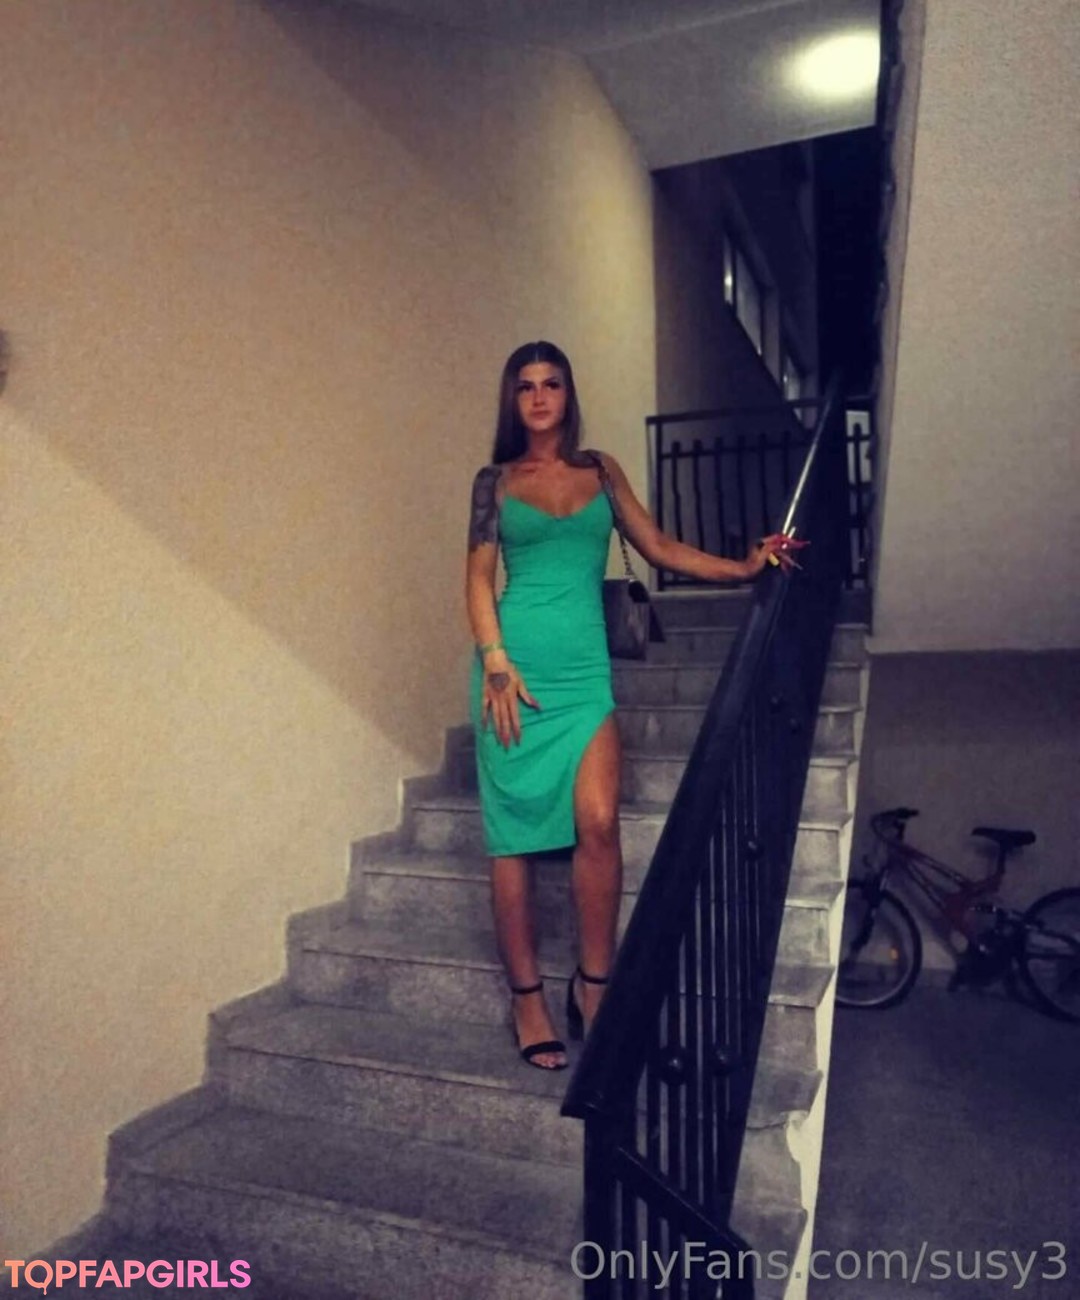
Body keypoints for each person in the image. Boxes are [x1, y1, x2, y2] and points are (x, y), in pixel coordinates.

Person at [465, 341, 801, 1071]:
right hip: (514, 676)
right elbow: (478, 578)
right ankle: (526, 998)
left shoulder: (602, 472)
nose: (539, 397)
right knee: (513, 840)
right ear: (513, 401)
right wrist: (494, 661)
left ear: (568, 395)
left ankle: (595, 985)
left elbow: (658, 546)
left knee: (598, 821)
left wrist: (744, 567)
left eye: (552, 383)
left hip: (585, 676)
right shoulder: (495, 482)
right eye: (525, 386)